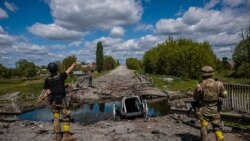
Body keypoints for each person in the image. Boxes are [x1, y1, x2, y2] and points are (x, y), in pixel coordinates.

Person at [43, 62, 76, 141]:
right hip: (62, 101)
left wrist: (47, 94)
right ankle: (67, 135)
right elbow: (68, 70)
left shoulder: (47, 80)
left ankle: (58, 136)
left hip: (54, 102)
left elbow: (48, 92)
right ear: (56, 69)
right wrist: (73, 65)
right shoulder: (61, 77)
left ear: (49, 70)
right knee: (66, 118)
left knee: (56, 118)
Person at [194, 66, 227, 141]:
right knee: (217, 127)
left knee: (204, 127)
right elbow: (224, 95)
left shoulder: (199, 85)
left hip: (203, 110)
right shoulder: (219, 84)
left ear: (202, 74)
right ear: (212, 73)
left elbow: (196, 98)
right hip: (215, 109)